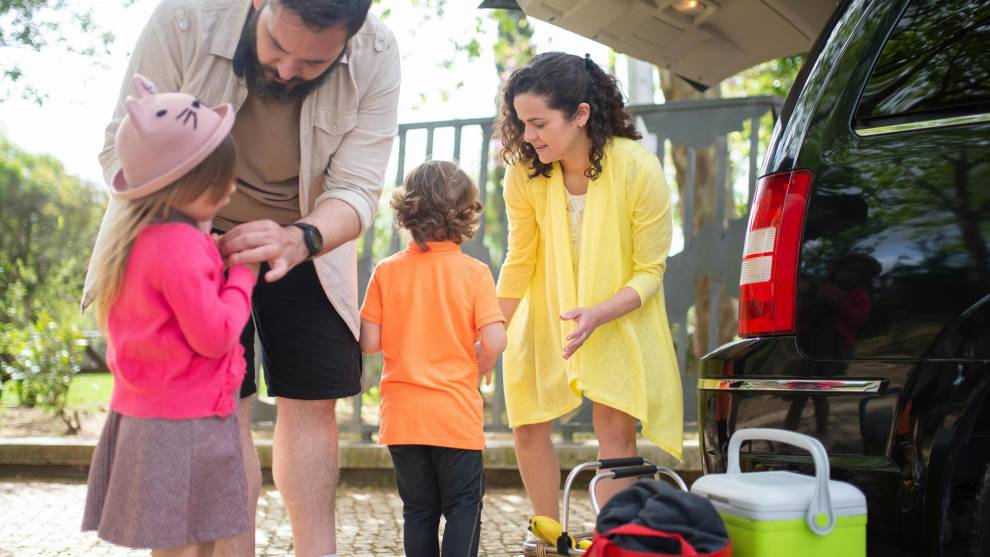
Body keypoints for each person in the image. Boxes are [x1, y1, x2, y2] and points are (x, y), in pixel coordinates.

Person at [82, 1, 400, 555]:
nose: (286, 70)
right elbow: (120, 145)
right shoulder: (184, 19)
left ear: (349, 39)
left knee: (314, 401)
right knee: (219, 405)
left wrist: (299, 238)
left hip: (306, 235)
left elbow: (356, 188)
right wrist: (188, 229)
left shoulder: (378, 54)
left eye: (313, 61)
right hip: (183, 234)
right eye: (277, 47)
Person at [494, 52, 684, 542]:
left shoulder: (638, 169)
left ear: (580, 114)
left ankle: (616, 541)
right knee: (528, 420)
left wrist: (598, 313)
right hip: (547, 311)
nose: (528, 135)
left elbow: (649, 273)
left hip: (616, 315)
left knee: (615, 432)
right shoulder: (523, 175)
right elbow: (520, 260)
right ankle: (548, 535)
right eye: (521, 123)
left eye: (539, 123)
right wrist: (491, 333)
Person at [82, 75, 257, 557]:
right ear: (182, 183)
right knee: (187, 545)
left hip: (151, 417)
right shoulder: (179, 248)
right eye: (219, 180)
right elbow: (217, 334)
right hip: (185, 425)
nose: (231, 188)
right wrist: (243, 275)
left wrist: (215, 258)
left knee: (179, 541)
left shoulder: (140, 242)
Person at [358, 160, 507, 557]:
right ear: (466, 216)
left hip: (403, 417)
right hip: (454, 416)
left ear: (408, 212)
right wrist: (483, 354)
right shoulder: (475, 273)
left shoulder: (386, 272)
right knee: (462, 508)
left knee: (418, 511)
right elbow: (495, 337)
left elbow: (369, 342)